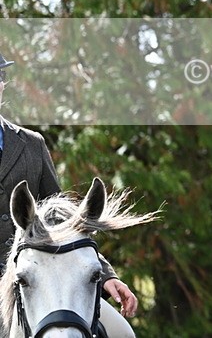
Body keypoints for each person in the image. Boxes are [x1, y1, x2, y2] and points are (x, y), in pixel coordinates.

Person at [0, 52, 139, 336]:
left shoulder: (30, 144)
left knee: (122, 332)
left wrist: (106, 275)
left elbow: (63, 224)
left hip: (39, 277)